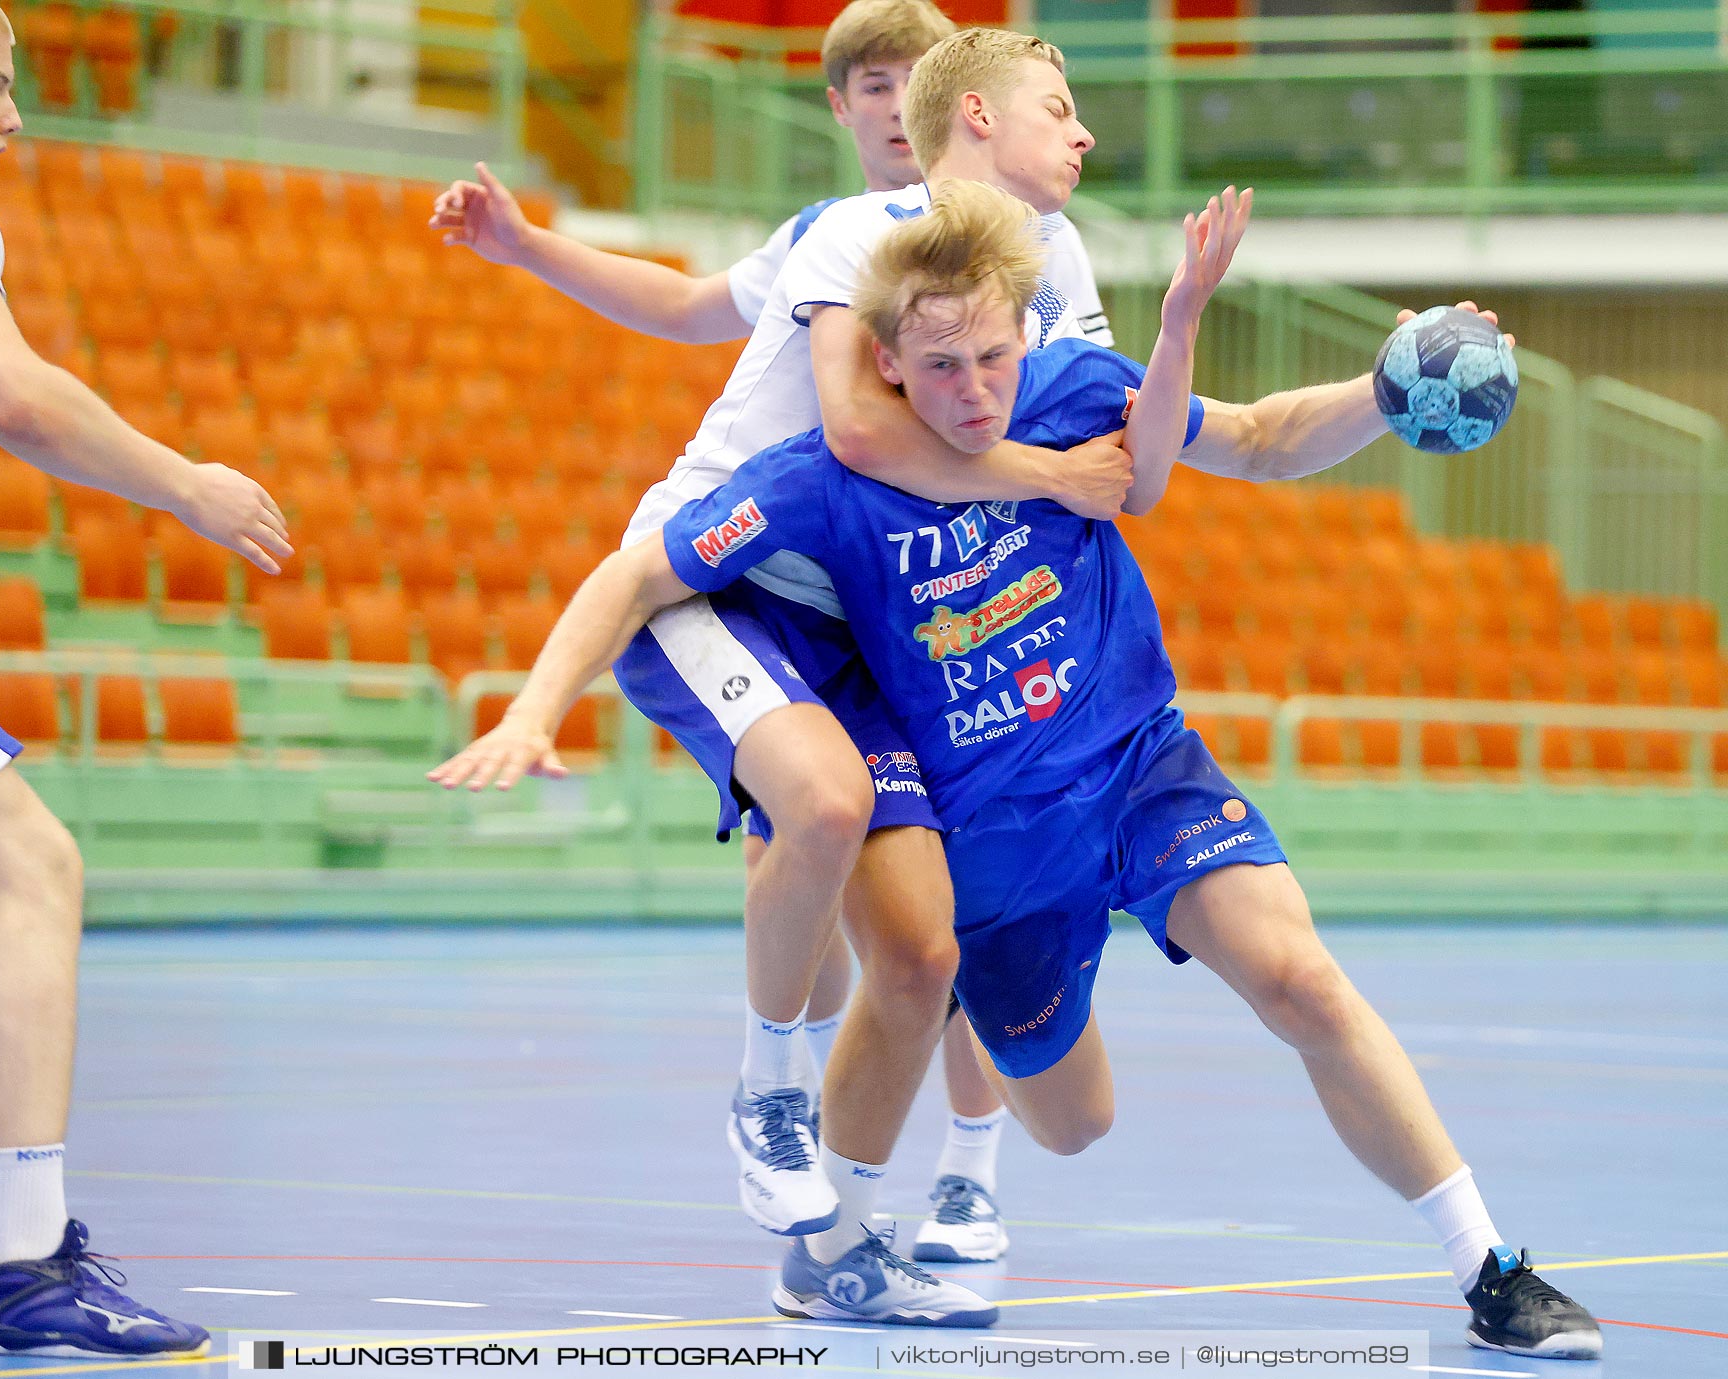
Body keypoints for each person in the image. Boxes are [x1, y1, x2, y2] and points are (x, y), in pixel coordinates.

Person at [432, 181, 1603, 1362]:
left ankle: (1492, 1266)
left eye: (994, 355)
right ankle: (866, 1142)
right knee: (1074, 1121)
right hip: (997, 844)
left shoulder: (1076, 395)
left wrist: (1390, 388)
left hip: (1142, 767)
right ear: (884, 362)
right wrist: (536, 709)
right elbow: (639, 577)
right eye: (941, 368)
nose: (975, 390)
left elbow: (1253, 435)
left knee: (1299, 978)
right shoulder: (819, 480)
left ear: (1025, 334)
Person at [436, 26, 1134, 1301]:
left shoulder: (1052, 256)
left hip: (870, 616)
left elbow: (1085, 416)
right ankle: (771, 1090)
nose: (1084, 131)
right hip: (731, 571)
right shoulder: (847, 240)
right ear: (965, 118)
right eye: (1060, 105)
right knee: (818, 806)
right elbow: (856, 427)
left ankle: (876, 1220)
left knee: (928, 944)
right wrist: (537, 705)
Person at [0, 0, 290, 1356]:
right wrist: (185, 480)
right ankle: (17, 1263)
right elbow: (8, 392)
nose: (13, 115)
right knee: (25, 866)